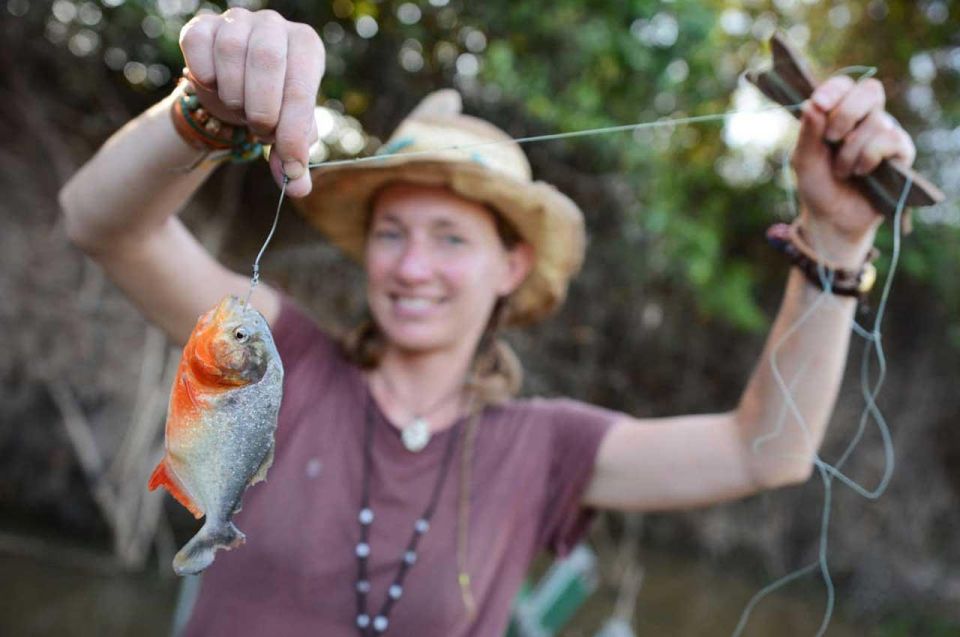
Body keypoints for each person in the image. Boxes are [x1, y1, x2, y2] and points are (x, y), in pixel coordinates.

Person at [58, 8, 917, 637]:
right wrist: (198, 112)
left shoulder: (545, 446)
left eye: (450, 238)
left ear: (511, 266)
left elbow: (764, 451)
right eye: (391, 232)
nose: (412, 264)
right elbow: (102, 222)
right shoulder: (286, 364)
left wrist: (835, 243)